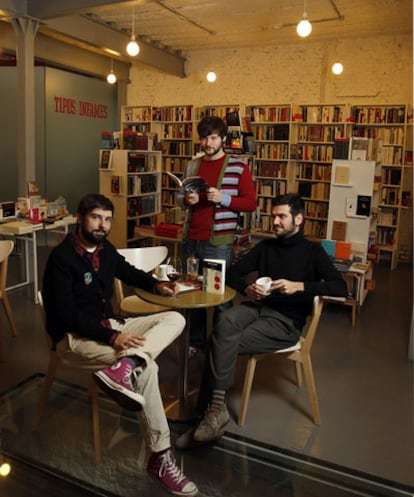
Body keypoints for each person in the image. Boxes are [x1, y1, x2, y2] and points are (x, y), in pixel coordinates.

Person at [42, 193, 198, 497]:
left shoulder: (104, 249)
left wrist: (157, 285)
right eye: (96, 217)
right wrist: (114, 337)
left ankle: (126, 364)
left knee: (175, 320)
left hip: (107, 326)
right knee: (148, 368)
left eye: (108, 219)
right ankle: (160, 458)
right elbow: (67, 315)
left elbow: (129, 272)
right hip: (73, 339)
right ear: (80, 218)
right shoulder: (62, 259)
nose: (103, 225)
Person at [176, 193, 348, 448]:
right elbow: (233, 273)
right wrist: (248, 289)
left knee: (220, 339)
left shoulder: (313, 251)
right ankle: (214, 413)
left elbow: (340, 287)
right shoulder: (266, 247)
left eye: (282, 216)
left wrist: (299, 286)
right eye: (273, 216)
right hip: (257, 307)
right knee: (225, 320)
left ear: (298, 219)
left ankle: (208, 413)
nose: (275, 221)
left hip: (286, 322)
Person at [178, 115, 257, 355]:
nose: (208, 143)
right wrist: (186, 200)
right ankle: (196, 342)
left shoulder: (238, 167)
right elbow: (181, 199)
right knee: (192, 294)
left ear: (223, 138)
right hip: (191, 239)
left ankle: (222, 345)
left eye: (213, 137)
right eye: (204, 138)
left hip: (218, 244)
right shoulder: (193, 165)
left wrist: (222, 198)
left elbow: (250, 203)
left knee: (219, 296)